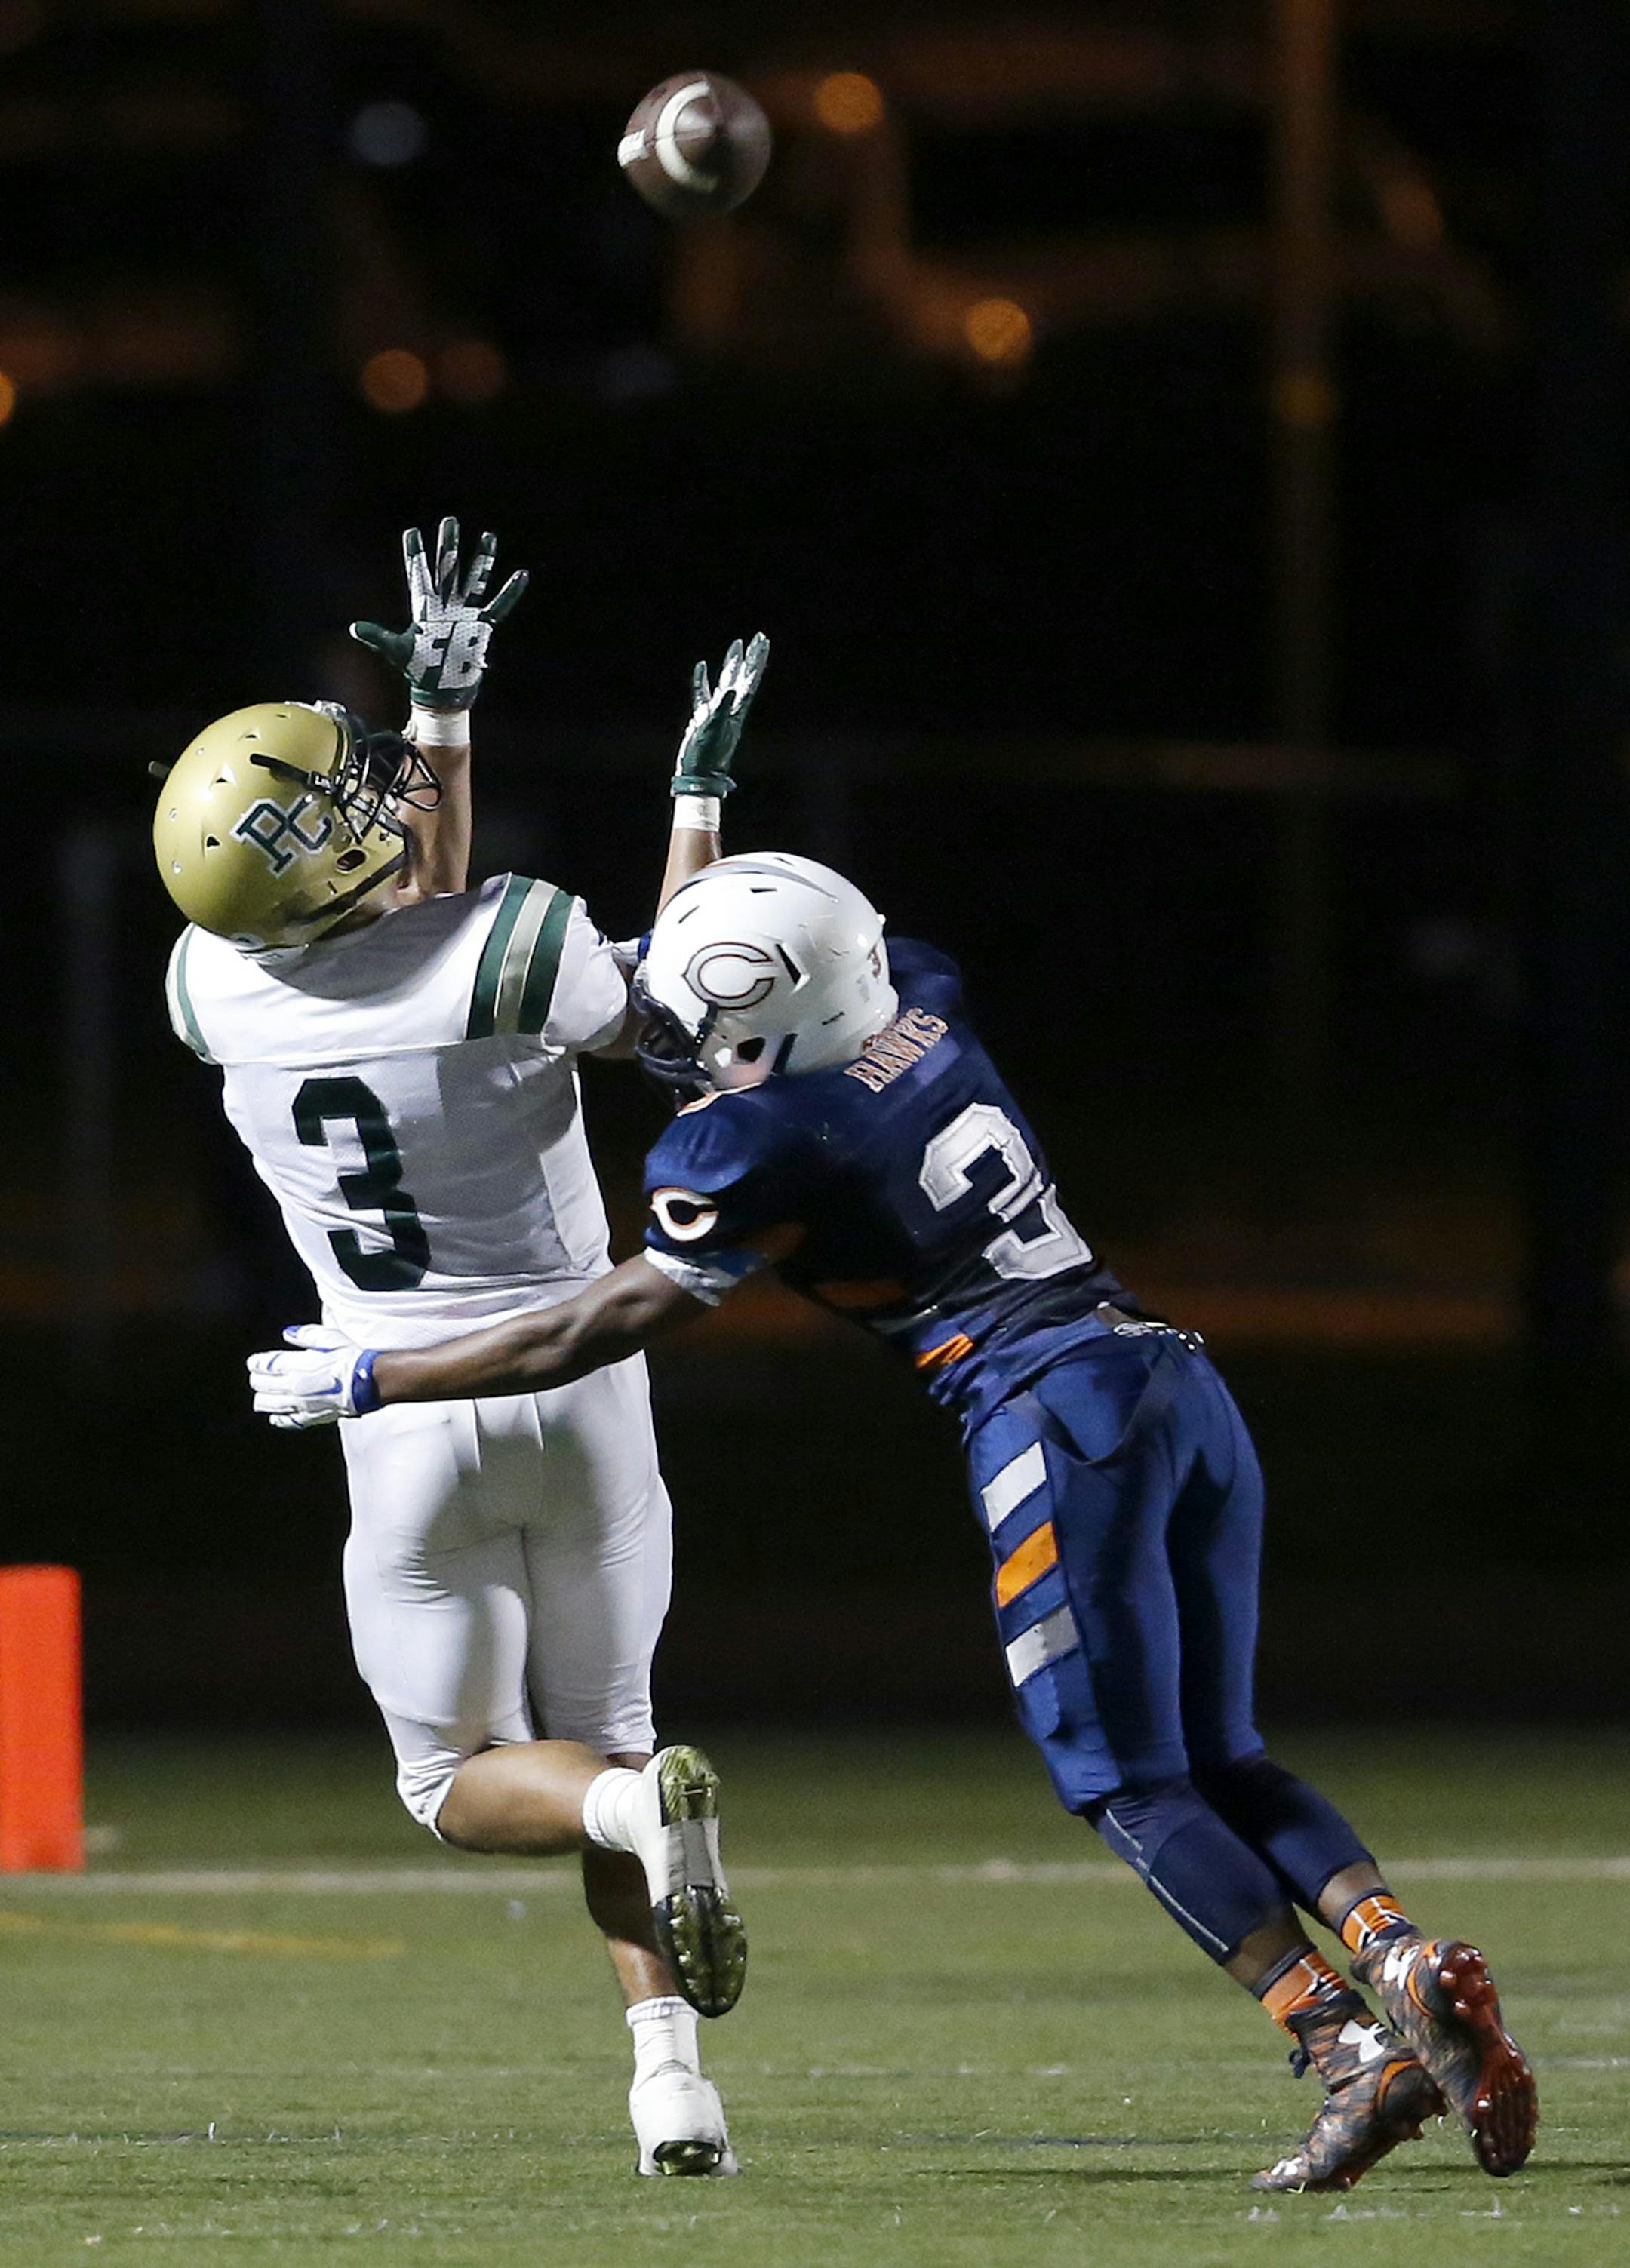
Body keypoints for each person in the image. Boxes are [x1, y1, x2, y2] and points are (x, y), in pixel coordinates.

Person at [249, 850, 1540, 2195]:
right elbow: (767, 990)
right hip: (1171, 1371)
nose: (685, 1051)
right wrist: (704, 830)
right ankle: (1394, 1950)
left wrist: (375, 1375)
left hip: (1048, 1416)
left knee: (1125, 1778)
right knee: (1225, 1749)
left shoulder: (756, 1145)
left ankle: (1343, 2045)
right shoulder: (917, 998)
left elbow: (595, 1320)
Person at [155, 518, 767, 2178]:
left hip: (397, 1413)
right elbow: (690, 1026)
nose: (380, 803)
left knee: (475, 1782)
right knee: (618, 1742)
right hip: (580, 1388)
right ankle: (670, 2077)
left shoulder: (211, 989)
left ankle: (670, 2082)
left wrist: (441, 725)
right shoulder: (518, 942)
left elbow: (387, 919)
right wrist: (692, 806)